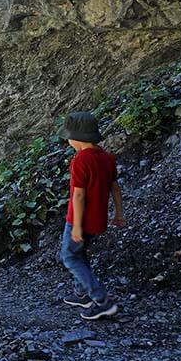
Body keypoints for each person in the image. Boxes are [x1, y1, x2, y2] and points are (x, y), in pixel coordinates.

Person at [58, 111, 125, 320]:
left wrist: (76, 225)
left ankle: (101, 300)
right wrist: (119, 213)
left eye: (68, 137)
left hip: (79, 220)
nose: (67, 140)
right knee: (81, 254)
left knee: (69, 257)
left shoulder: (80, 161)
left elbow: (78, 195)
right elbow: (115, 187)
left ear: (77, 138)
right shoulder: (107, 157)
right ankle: (82, 293)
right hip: (98, 219)